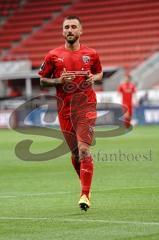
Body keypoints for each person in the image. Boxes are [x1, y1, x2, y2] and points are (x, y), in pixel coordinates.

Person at [38, 16, 103, 211]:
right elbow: (42, 80)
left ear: (81, 31)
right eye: (66, 27)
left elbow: (99, 72)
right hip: (65, 109)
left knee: (83, 150)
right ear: (62, 31)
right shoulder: (53, 55)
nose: (70, 30)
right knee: (75, 153)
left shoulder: (91, 54)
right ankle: (86, 186)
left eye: (74, 27)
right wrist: (57, 81)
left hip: (86, 106)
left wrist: (94, 78)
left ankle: (84, 194)